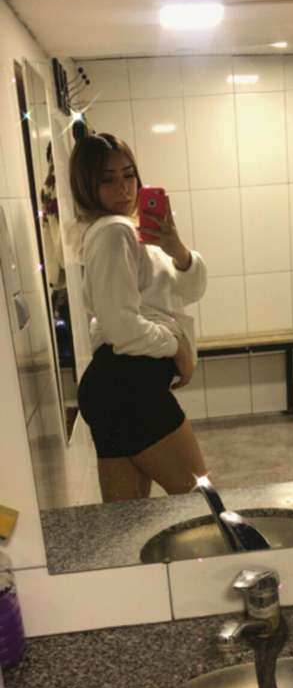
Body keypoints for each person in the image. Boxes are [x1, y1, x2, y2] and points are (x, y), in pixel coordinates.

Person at [69, 132, 208, 501]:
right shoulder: (114, 231)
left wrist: (177, 250)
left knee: (128, 522)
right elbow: (122, 328)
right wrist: (177, 347)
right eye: (107, 179)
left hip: (116, 387)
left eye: (129, 175)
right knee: (201, 503)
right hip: (130, 385)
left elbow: (190, 291)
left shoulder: (129, 231)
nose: (124, 188)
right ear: (86, 186)